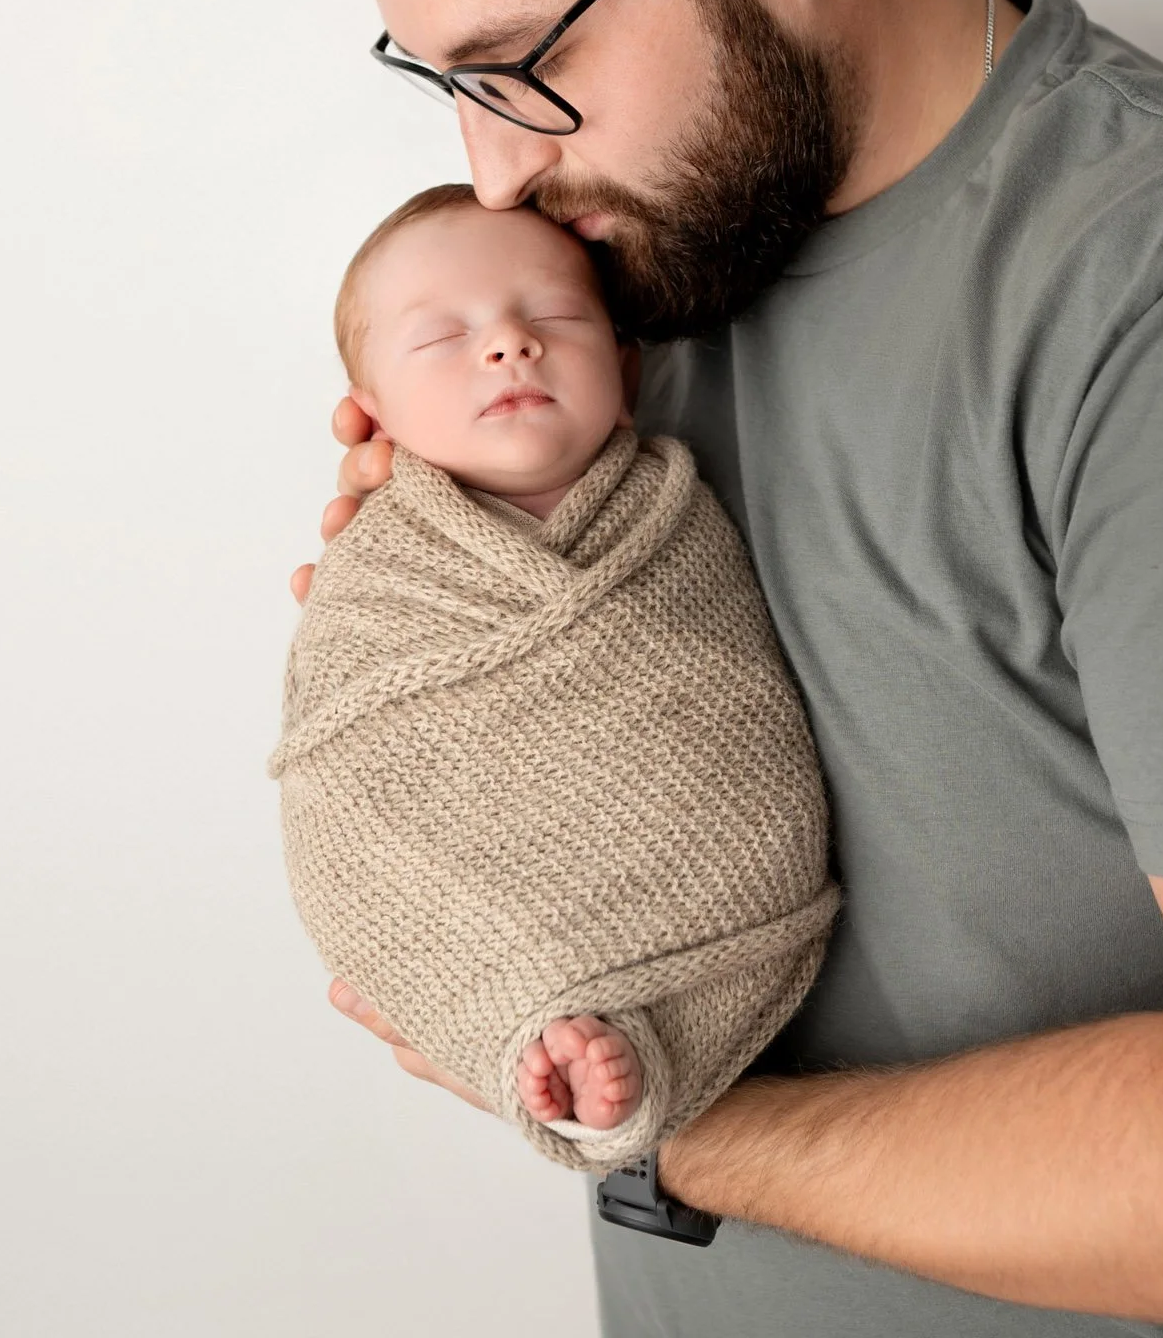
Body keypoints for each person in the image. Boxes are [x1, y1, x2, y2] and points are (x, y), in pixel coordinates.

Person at [241, 0, 1163, 1332]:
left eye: (524, 66)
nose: (496, 167)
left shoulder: (1120, 292)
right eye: (450, 89)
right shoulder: (626, 269)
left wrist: (683, 1142)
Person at [269, 184, 839, 1172]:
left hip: (719, 890)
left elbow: (728, 708)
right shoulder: (374, 571)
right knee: (478, 959)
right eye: (443, 336)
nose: (509, 344)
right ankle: (557, 1045)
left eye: (555, 316)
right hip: (492, 899)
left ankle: (613, 1050)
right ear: (373, 414)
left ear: (626, 367)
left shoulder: (676, 509)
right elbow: (348, 777)